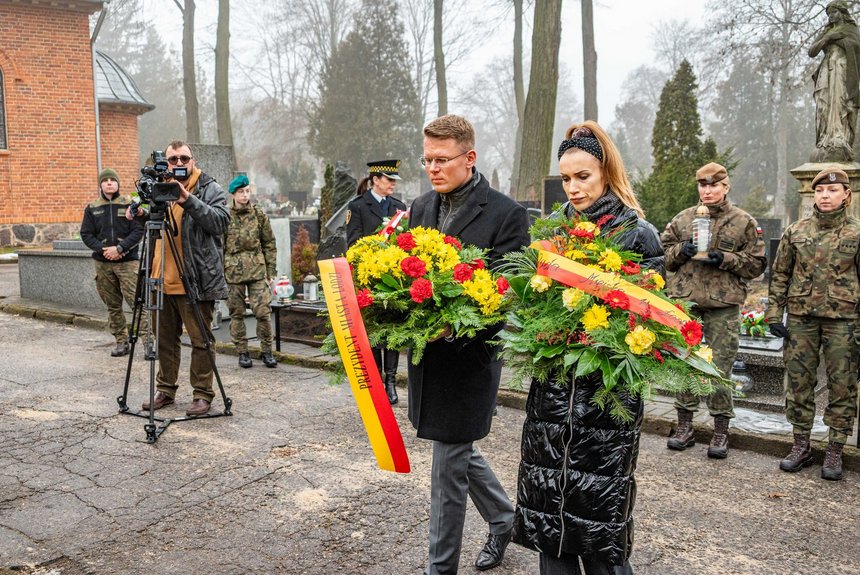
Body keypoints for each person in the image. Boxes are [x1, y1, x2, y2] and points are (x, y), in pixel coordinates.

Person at [511, 121, 662, 575]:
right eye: (566, 179)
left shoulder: (639, 235)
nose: (573, 189)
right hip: (553, 400)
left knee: (600, 534)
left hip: (605, 403)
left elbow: (652, 323)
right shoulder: (553, 234)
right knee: (551, 532)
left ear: (606, 174)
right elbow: (531, 305)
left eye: (583, 177)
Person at [408, 114, 530, 574]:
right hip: (426, 359)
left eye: (442, 160)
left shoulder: (506, 214)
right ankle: (503, 519)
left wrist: (454, 328)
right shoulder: (420, 208)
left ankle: (439, 570)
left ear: (470, 158)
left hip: (469, 362)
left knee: (446, 473)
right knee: (456, 453)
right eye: (427, 160)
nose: (433, 168)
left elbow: (506, 295)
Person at [661, 163, 767, 459]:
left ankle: (721, 429)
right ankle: (685, 425)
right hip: (688, 304)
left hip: (723, 305)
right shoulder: (683, 219)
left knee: (720, 368)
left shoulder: (742, 222)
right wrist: (680, 251)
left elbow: (756, 265)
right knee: (685, 363)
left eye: (713, 185)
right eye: (702, 186)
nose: (707, 191)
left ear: (726, 186)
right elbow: (665, 257)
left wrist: (727, 259)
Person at [767, 166, 860, 481]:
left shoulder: (857, 232)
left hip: (844, 322)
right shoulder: (797, 231)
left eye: (832, 190)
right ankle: (802, 444)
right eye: (820, 190)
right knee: (798, 382)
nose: (825, 195)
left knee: (843, 385)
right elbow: (780, 274)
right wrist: (772, 313)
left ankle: (835, 448)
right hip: (802, 318)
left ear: (846, 195)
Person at [137, 140, 230, 417]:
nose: (178, 164)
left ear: (193, 160)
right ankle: (165, 389)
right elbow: (161, 227)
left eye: (183, 158)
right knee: (165, 339)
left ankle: (202, 394)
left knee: (201, 340)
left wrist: (187, 199)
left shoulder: (208, 187)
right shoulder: (160, 186)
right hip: (160, 279)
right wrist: (142, 214)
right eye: (173, 159)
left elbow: (220, 222)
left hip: (194, 280)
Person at [346, 159, 407, 404]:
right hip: (369, 278)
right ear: (375, 181)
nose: (392, 184)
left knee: (391, 330)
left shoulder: (399, 207)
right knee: (372, 332)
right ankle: (376, 382)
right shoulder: (358, 207)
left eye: (394, 180)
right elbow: (352, 244)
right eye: (389, 180)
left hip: (393, 279)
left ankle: (391, 382)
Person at [80, 168, 145, 356]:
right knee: (113, 305)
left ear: (118, 183)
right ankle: (121, 342)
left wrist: (120, 248)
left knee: (137, 303)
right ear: (100, 184)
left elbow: (138, 230)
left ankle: (149, 342)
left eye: (112, 180)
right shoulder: (92, 207)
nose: (109, 183)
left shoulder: (129, 204)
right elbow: (86, 234)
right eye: (105, 180)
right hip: (103, 264)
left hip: (127, 263)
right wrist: (103, 250)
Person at [224, 174, 278, 369]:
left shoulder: (258, 214)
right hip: (233, 271)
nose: (245, 195)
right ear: (233, 194)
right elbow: (219, 246)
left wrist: (271, 270)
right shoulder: (225, 215)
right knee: (236, 313)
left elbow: (269, 243)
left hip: (256, 269)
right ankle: (242, 352)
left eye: (247, 191)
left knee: (263, 311)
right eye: (241, 192)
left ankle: (267, 351)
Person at [809, 0, 860, 162]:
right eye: (829, 13)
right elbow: (812, 51)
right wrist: (828, 38)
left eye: (834, 12)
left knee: (841, 102)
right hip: (827, 68)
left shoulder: (851, 29)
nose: (831, 16)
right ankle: (825, 138)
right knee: (824, 104)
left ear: (843, 13)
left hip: (842, 68)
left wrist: (837, 39)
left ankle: (839, 138)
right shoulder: (827, 31)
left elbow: (857, 47)